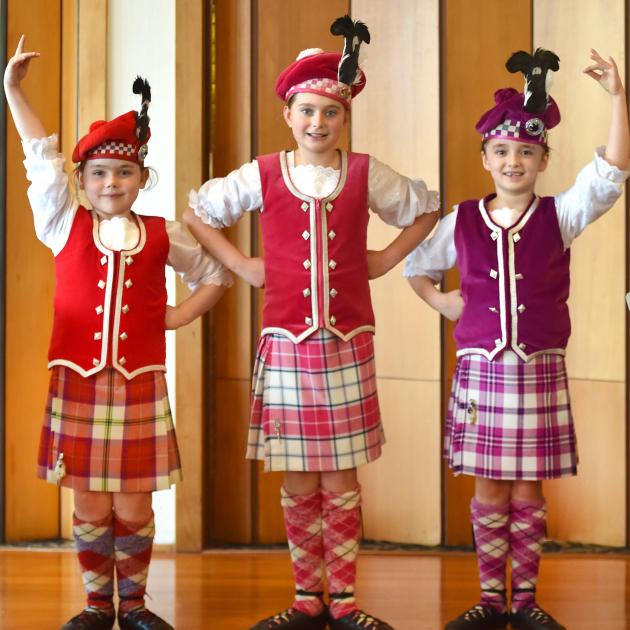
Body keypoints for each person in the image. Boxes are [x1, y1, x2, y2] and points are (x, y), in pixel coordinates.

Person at [184, 14, 439, 630]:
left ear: (345, 118)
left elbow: (426, 208)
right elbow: (198, 210)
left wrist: (383, 259)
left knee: (340, 473)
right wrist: (242, 263)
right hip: (288, 345)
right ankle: (307, 597)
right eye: (307, 111)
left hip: (347, 342)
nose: (318, 123)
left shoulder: (364, 172)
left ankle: (345, 598)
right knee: (299, 478)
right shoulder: (264, 173)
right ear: (288, 114)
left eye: (331, 112)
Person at [3, 35, 232, 630]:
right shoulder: (61, 222)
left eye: (124, 171)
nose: (111, 182)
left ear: (141, 175)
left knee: (133, 501)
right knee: (88, 500)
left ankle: (134, 604)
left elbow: (214, 274)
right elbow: (38, 156)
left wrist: (179, 316)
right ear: (81, 178)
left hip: (138, 386)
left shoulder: (161, 233)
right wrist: (13, 91)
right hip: (78, 380)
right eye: (99, 172)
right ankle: (95, 604)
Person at [405, 48, 629, 630]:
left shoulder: (560, 216)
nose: (513, 161)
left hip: (537, 371)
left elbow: (610, 175)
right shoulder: (461, 220)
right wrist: (441, 301)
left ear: (543, 159)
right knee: (490, 489)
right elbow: (417, 268)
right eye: (501, 151)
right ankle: (489, 600)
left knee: (527, 489)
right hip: (482, 372)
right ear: (485, 158)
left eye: (526, 151)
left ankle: (524, 602)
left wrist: (617, 98)